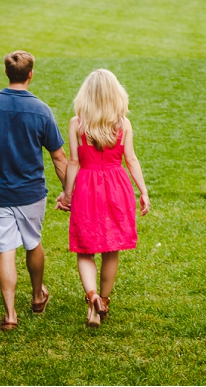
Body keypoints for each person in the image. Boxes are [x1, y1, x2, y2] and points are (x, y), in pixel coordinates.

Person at [0, 51, 69, 331]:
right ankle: (37, 298)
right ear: (30, 74)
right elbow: (59, 157)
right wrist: (67, 190)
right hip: (31, 193)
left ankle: (10, 314)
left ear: (6, 73)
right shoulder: (41, 110)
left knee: (6, 251)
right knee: (33, 242)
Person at [57, 69, 150, 328]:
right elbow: (130, 160)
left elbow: (73, 161)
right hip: (117, 187)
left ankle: (92, 297)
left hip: (87, 186)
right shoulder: (123, 124)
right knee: (111, 248)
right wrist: (143, 191)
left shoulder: (77, 123)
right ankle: (104, 301)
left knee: (85, 249)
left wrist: (67, 194)